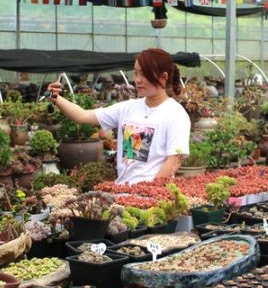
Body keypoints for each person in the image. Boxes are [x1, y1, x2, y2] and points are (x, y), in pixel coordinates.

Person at [47, 48, 191, 185]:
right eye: (136, 73)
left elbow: (174, 160)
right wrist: (56, 98)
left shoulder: (175, 114)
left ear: (163, 77)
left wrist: (148, 191)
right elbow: (82, 116)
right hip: (122, 192)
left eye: (144, 74)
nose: (138, 79)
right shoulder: (128, 108)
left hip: (153, 198)